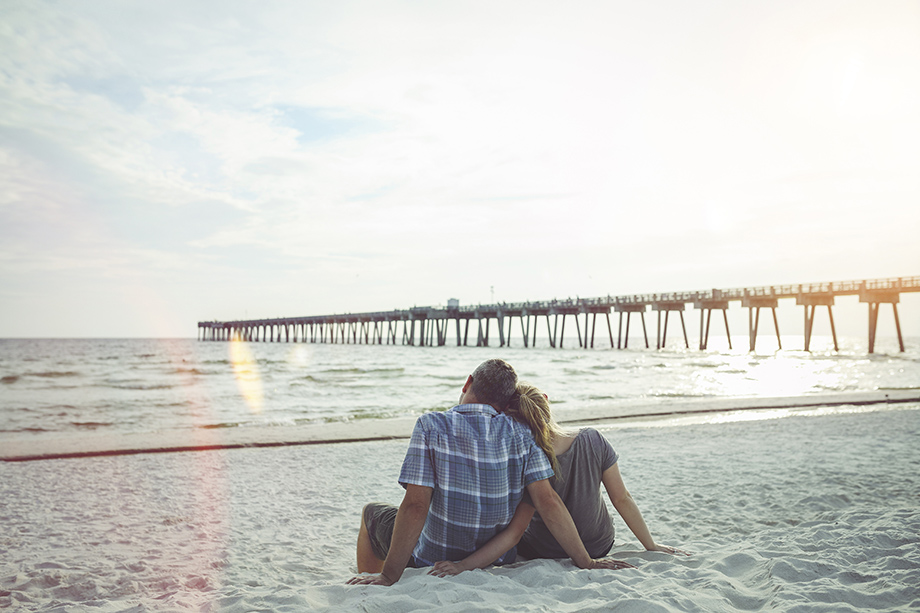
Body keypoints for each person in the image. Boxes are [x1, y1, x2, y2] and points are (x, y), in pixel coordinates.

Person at [348, 359, 633, 586]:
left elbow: (415, 506)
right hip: (497, 559)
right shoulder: (522, 434)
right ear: (507, 401)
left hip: (433, 559)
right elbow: (549, 503)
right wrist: (586, 561)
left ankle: (373, 579)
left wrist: (391, 576)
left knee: (370, 513)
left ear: (468, 383)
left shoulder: (430, 426)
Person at [429, 383, 687, 577]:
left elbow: (514, 535)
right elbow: (622, 499)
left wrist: (462, 565)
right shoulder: (593, 439)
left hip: (547, 551)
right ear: (546, 401)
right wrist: (650, 545)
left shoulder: (529, 458)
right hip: (600, 544)